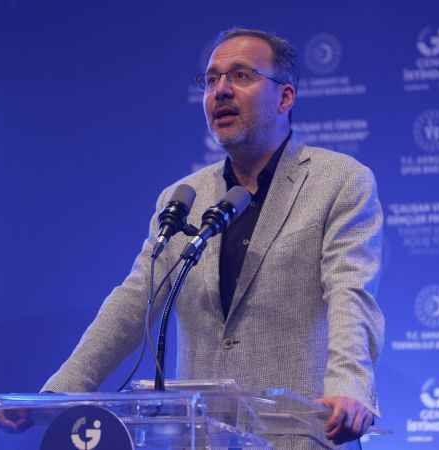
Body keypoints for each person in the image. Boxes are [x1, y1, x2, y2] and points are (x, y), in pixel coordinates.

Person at [38, 28, 384, 450]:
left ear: (285, 98)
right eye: (211, 80)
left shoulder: (340, 181)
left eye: (241, 76)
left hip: (300, 438)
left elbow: (352, 293)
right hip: (201, 439)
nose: (220, 90)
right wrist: (61, 392)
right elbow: (133, 302)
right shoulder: (182, 198)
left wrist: (350, 386)